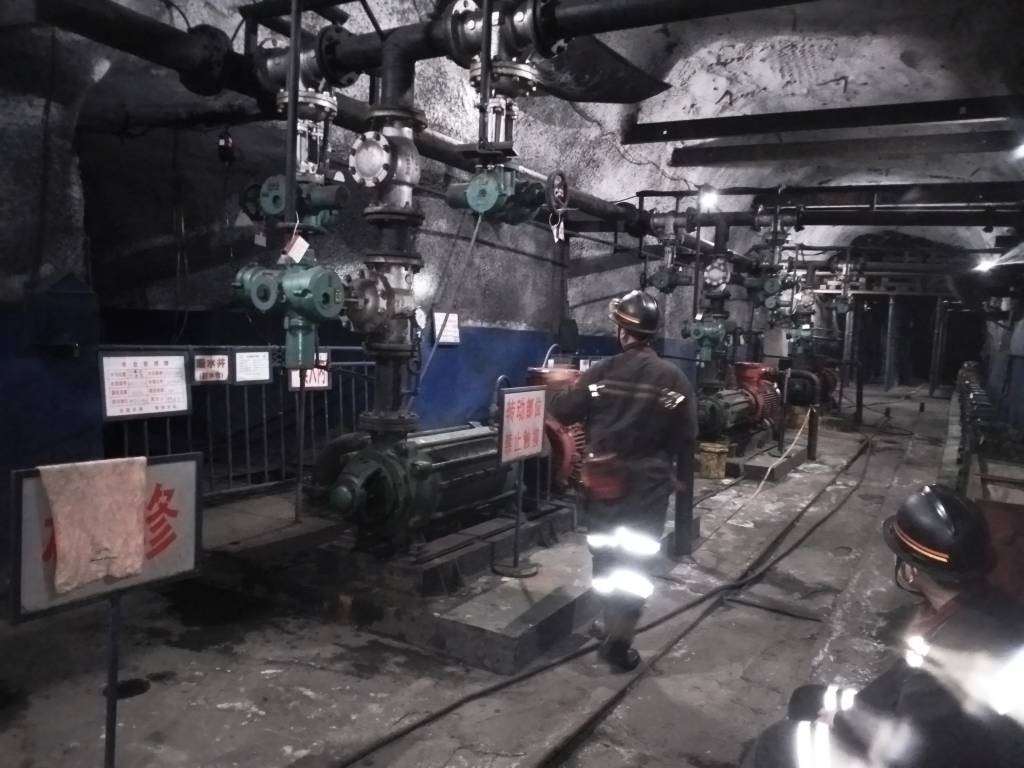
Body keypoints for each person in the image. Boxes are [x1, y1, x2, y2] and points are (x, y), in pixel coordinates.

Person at [744, 485, 1024, 768]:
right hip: (958, 732)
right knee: (808, 699)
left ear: (912, 570)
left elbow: (915, 748)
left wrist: (840, 726)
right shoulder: (989, 606)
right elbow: (901, 682)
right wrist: (845, 716)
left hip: (945, 752)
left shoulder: (951, 656)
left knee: (776, 743)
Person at [548, 289, 697, 671]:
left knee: (606, 553)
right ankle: (619, 635)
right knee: (635, 560)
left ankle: (609, 623)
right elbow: (686, 436)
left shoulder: (601, 374)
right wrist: (673, 474)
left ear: (621, 331)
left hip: (605, 483)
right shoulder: (673, 380)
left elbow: (563, 412)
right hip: (648, 486)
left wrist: (566, 387)